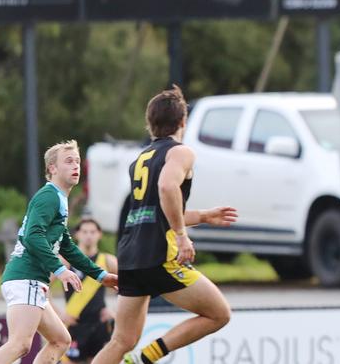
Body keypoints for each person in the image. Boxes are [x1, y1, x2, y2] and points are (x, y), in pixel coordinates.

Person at [92, 85, 238, 364]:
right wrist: (182, 236)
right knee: (219, 314)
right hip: (160, 255)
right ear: (183, 122)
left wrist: (204, 216)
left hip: (131, 255)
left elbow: (159, 210)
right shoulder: (181, 153)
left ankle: (139, 357)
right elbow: (167, 187)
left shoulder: (140, 159)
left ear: (150, 124)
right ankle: (148, 357)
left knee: (121, 340)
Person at [0, 140, 118, 364]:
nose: (75, 166)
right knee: (20, 344)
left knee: (61, 340)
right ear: (52, 168)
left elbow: (67, 246)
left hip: (31, 280)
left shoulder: (60, 199)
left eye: (78, 161)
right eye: (68, 161)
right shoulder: (49, 196)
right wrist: (59, 270)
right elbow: (32, 236)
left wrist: (100, 275)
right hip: (25, 277)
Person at [53, 218, 118, 364]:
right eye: (85, 231)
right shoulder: (65, 261)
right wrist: (59, 315)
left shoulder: (107, 260)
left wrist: (114, 310)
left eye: (92, 232)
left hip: (99, 324)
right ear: (77, 234)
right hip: (74, 324)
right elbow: (42, 288)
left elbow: (129, 287)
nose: (89, 235)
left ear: (99, 234)